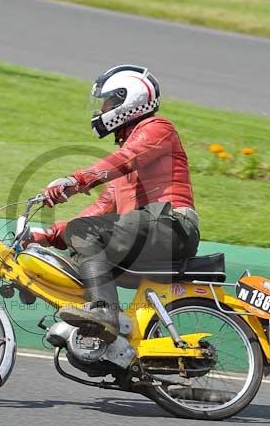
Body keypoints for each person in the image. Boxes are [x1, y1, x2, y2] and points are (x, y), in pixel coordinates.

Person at [30, 65, 199, 343]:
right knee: (78, 252)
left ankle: (105, 314)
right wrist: (48, 235)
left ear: (128, 101)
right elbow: (101, 209)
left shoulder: (156, 129)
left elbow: (126, 159)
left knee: (85, 233)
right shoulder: (124, 163)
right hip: (147, 230)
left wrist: (75, 181)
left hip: (172, 224)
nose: (101, 110)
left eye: (108, 102)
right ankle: (104, 338)